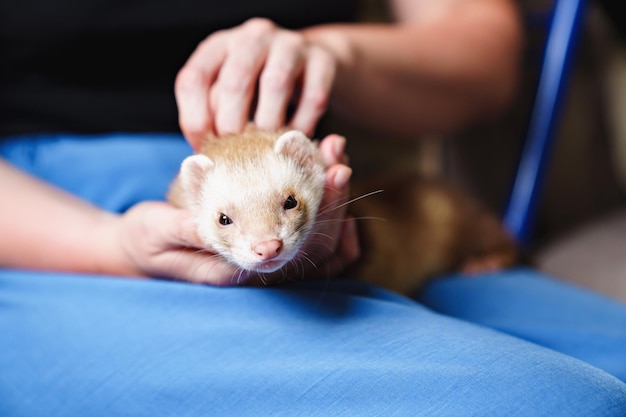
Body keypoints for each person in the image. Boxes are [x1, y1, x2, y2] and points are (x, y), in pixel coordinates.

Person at [1, 1, 625, 415]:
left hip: (312, 204)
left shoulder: (287, 188)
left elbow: (483, 56)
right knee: (561, 404)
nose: (266, 244)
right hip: (39, 228)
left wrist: (337, 57)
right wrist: (112, 245)